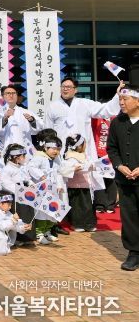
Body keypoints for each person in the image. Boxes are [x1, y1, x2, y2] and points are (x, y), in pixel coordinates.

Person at [45, 77, 122, 160]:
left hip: (83, 150)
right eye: (63, 86)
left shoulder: (85, 103)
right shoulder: (53, 106)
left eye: (68, 87)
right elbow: (47, 130)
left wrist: (118, 96)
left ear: (75, 90)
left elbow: (105, 109)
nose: (65, 89)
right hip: (61, 150)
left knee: (84, 167)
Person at [107, 85, 139, 270]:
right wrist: (119, 166)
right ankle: (134, 253)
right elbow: (112, 148)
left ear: (137, 101)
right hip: (124, 179)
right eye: (120, 99)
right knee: (129, 217)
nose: (121, 102)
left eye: (125, 99)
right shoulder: (117, 122)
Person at [0, 143, 39, 246]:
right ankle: (19, 238)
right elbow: (5, 183)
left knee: (28, 214)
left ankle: (28, 237)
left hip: (26, 194)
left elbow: (27, 178)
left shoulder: (22, 167)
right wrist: (18, 190)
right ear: (16, 158)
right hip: (16, 195)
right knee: (20, 215)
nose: (25, 158)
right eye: (23, 156)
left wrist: (31, 184)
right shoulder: (7, 169)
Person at [0, 85, 43, 150]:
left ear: (17, 96)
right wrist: (4, 119)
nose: (11, 95)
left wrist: (32, 120)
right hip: (5, 148)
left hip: (24, 149)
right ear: (3, 96)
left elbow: (40, 127)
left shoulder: (26, 112)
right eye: (8, 93)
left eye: (14, 93)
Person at [62, 134, 98, 233]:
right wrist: (85, 167)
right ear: (79, 145)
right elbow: (72, 169)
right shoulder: (70, 156)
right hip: (75, 186)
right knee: (77, 206)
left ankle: (89, 224)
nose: (86, 145)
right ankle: (77, 224)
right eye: (84, 143)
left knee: (88, 205)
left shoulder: (85, 155)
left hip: (86, 184)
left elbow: (91, 164)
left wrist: (94, 166)